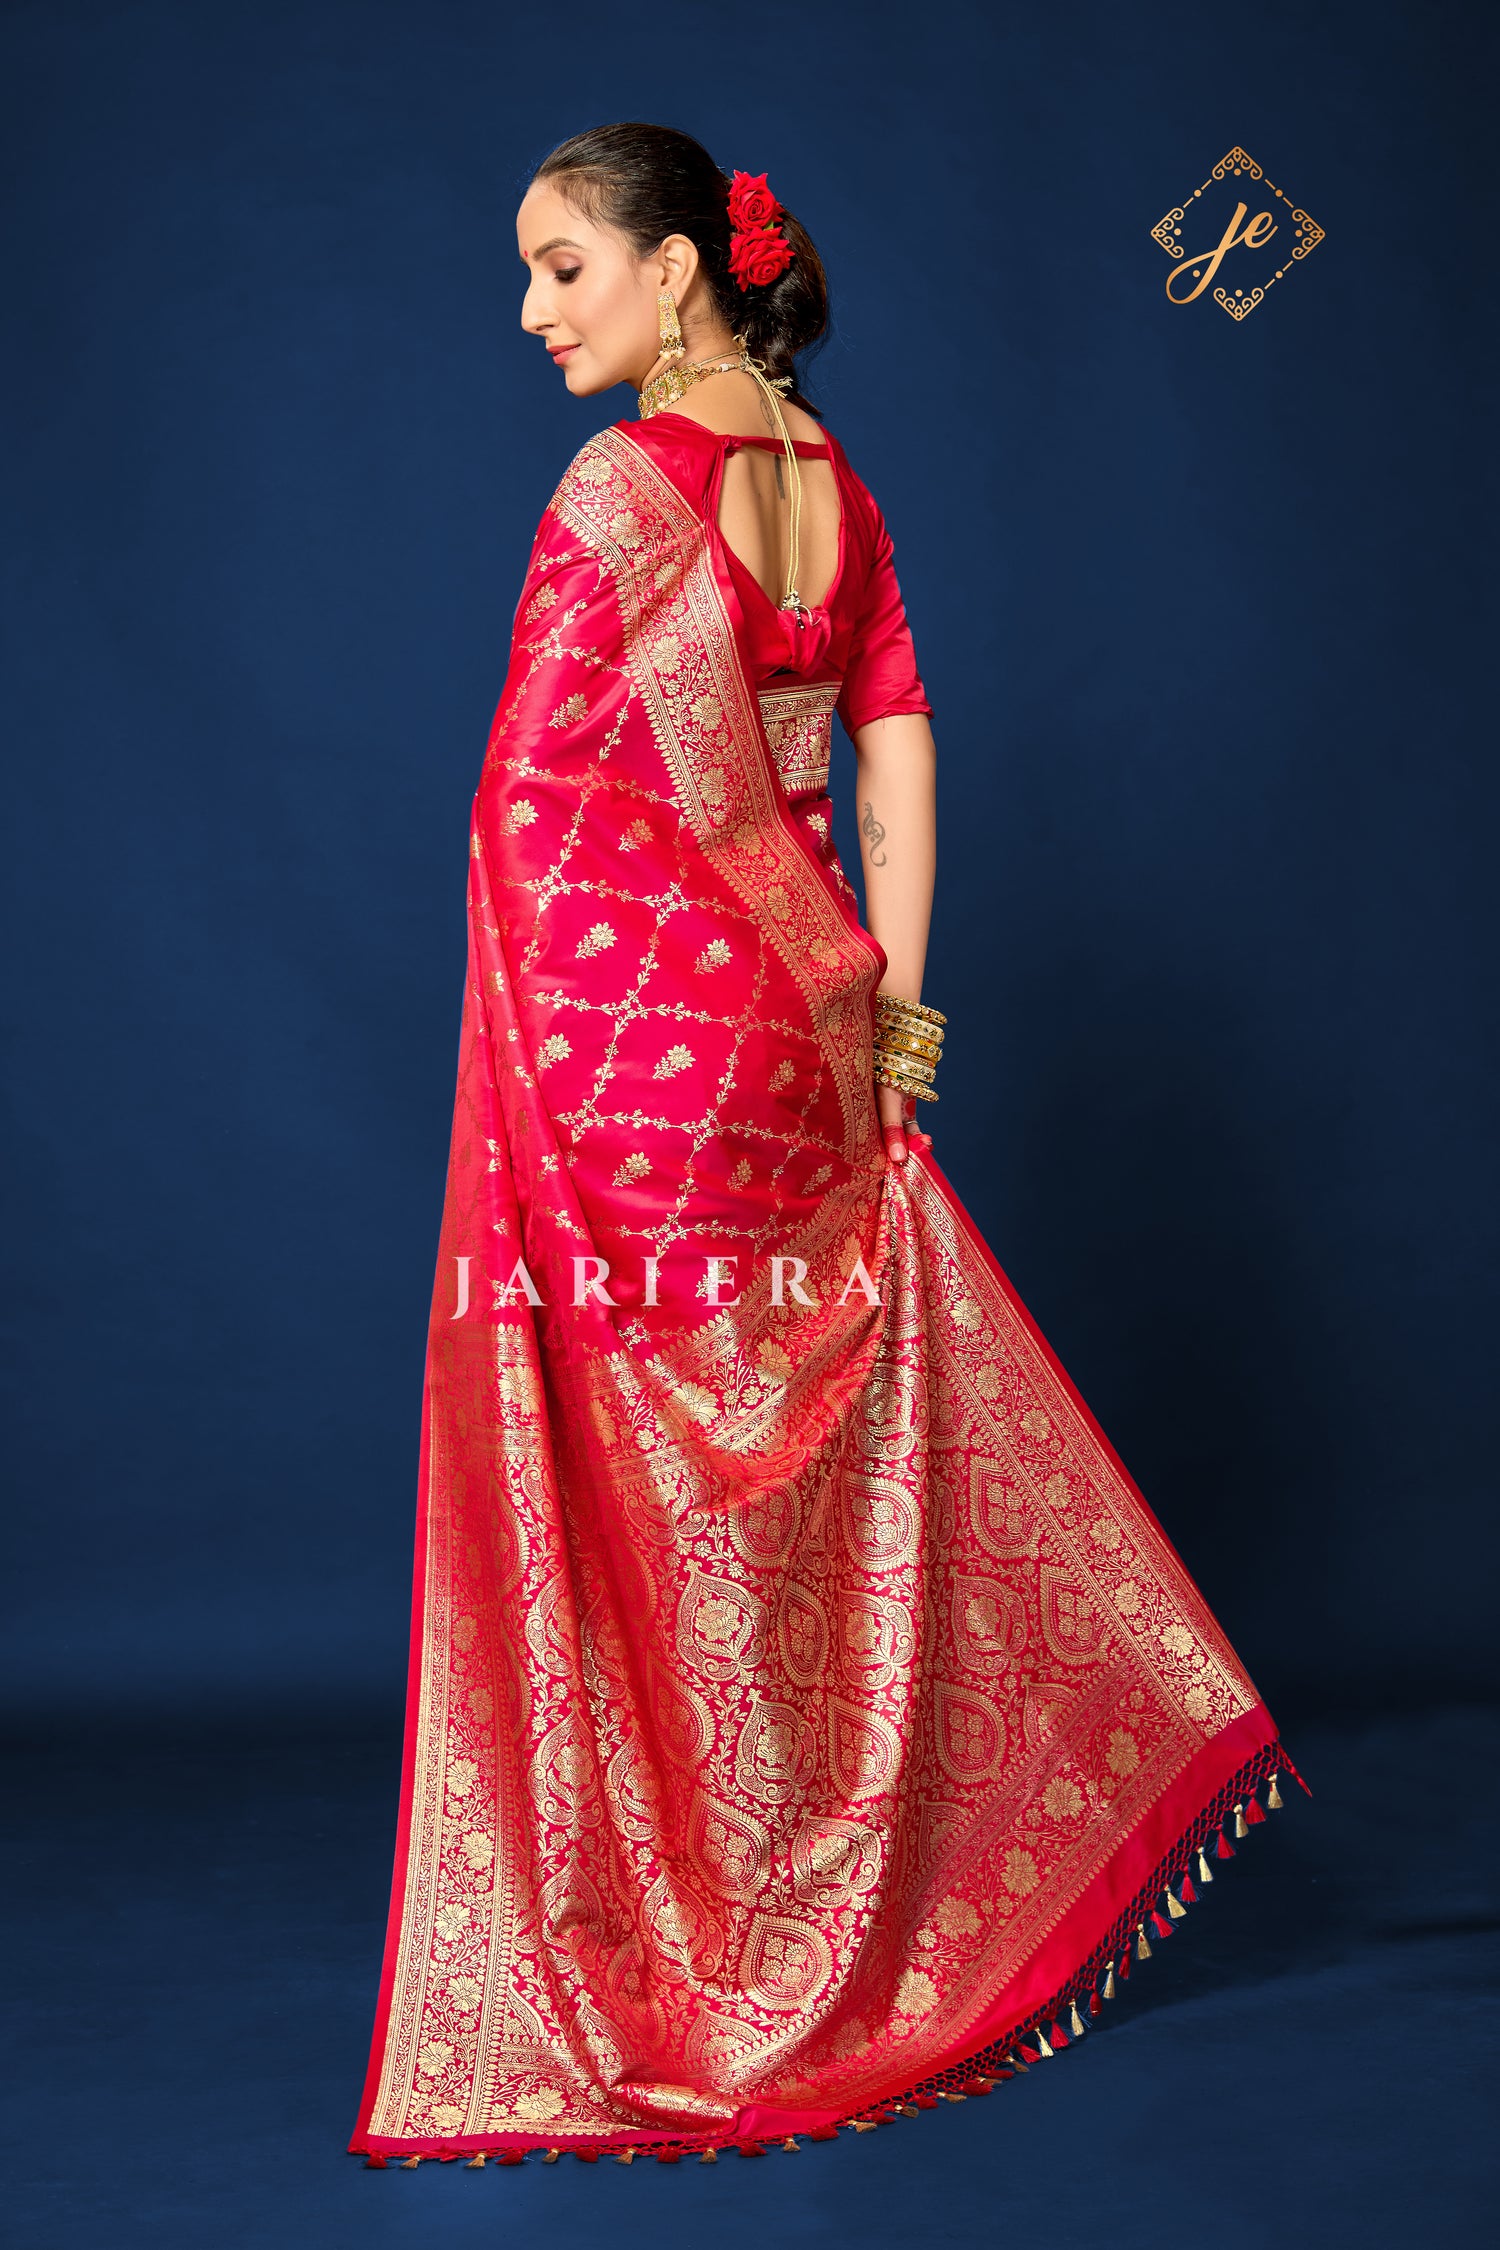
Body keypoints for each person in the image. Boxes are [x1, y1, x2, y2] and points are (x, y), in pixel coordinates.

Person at [351, 123, 1294, 2169]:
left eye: (561, 268)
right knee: (799, 1476)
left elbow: (530, 816)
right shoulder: (831, 484)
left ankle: (720, 1955)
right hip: (809, 1036)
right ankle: (838, 1922)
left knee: (659, 1487)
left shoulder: (620, 492)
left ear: (680, 269)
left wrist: (544, 1059)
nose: (532, 311)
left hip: (649, 1057)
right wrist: (889, 1009)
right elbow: (898, 731)